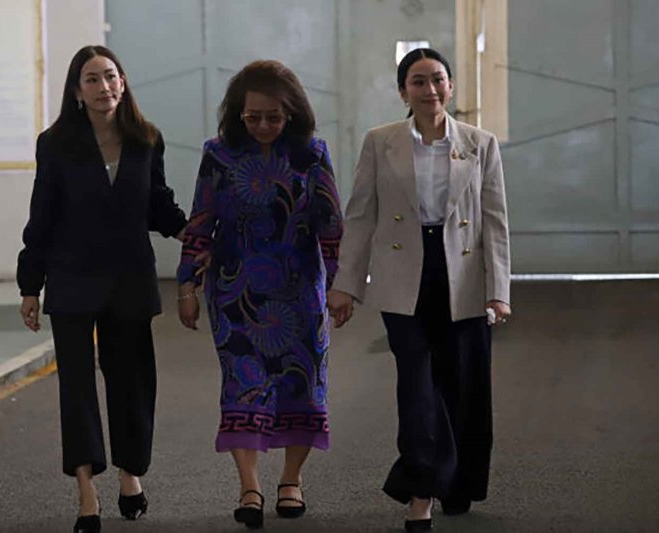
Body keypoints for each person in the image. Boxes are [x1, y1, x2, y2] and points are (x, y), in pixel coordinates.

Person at [328, 48, 511, 532]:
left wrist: (499, 289)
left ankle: (457, 481)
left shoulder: (480, 143)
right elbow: (361, 215)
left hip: (463, 274)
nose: (430, 90)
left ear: (450, 86)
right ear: (403, 91)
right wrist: (346, 285)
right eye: (418, 81)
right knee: (417, 384)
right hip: (403, 272)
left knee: (461, 384)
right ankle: (421, 492)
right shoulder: (380, 142)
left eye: (437, 79)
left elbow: (494, 221)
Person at [16, 45, 187, 533]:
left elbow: (158, 204)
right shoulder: (55, 144)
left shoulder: (146, 138)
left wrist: (195, 234)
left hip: (130, 277)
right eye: (91, 79)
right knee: (76, 387)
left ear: (123, 82)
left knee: (132, 382)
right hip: (72, 277)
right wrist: (30, 285)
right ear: (77, 91)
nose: (104, 86)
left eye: (110, 76)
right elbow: (42, 216)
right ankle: (86, 491)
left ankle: (131, 475)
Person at [177, 59, 343, 529]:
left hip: (300, 292)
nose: (264, 126)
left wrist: (340, 285)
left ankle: (291, 480)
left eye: (274, 117)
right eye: (253, 117)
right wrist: (187, 284)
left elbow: (330, 223)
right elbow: (200, 222)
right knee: (242, 384)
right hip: (235, 293)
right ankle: (249, 487)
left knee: (303, 384)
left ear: (292, 113)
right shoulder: (218, 154)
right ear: (237, 114)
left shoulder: (312, 154)